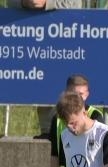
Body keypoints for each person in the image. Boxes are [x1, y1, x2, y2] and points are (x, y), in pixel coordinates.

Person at [8, 0, 82, 140]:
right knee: (41, 80)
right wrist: (24, 3)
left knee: (63, 83)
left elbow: (76, 3)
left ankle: (68, 128)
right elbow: (10, 3)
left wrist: (47, 3)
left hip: (66, 39)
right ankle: (47, 130)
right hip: (33, 38)